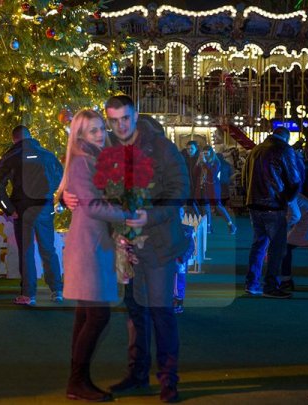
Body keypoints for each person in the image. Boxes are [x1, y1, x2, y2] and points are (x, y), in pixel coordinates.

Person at [65, 95, 188, 403]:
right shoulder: (108, 149)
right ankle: (137, 374)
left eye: (125, 119)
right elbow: (87, 183)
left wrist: (152, 215)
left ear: (135, 116)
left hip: (158, 243)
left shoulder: (161, 146)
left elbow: (179, 190)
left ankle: (168, 381)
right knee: (135, 314)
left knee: (160, 312)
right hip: (125, 247)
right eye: (114, 120)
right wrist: (63, 196)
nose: (119, 126)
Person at [57, 109, 135, 402]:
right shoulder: (82, 160)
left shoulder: (96, 157)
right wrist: (128, 213)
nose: (101, 134)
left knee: (86, 314)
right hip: (89, 246)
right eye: (93, 131)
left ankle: (77, 379)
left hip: (93, 242)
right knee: (98, 315)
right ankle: (77, 380)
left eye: (101, 128)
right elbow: (91, 205)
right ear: (79, 135)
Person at [0, 125, 64, 306]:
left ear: (14, 139)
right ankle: (57, 290)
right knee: (48, 249)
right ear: (30, 136)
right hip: (45, 207)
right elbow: (62, 177)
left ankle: (28, 295)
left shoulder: (10, 157)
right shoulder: (48, 155)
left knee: (27, 251)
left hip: (23, 209)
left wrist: (9, 208)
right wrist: (49, 193)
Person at [242, 126, 302, 298]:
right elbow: (294, 178)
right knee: (276, 248)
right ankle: (271, 286)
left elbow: (245, 177)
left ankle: (251, 283)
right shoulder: (283, 149)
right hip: (273, 204)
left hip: (254, 203)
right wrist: (287, 199)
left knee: (258, 245)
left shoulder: (256, 150)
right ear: (286, 137)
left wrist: (249, 197)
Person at [194, 145, 237, 235]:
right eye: (203, 154)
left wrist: (205, 162)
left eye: (206, 153)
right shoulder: (201, 162)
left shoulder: (216, 162)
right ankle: (208, 227)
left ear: (211, 153)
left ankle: (231, 225)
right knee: (206, 209)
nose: (205, 155)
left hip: (213, 188)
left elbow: (212, 174)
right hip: (203, 188)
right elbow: (195, 174)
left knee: (218, 207)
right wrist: (198, 162)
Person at [181, 140, 200, 215]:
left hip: (197, 186)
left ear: (196, 149)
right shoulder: (185, 159)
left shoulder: (199, 159)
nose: (190, 150)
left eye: (192, 148)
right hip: (188, 186)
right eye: (188, 149)